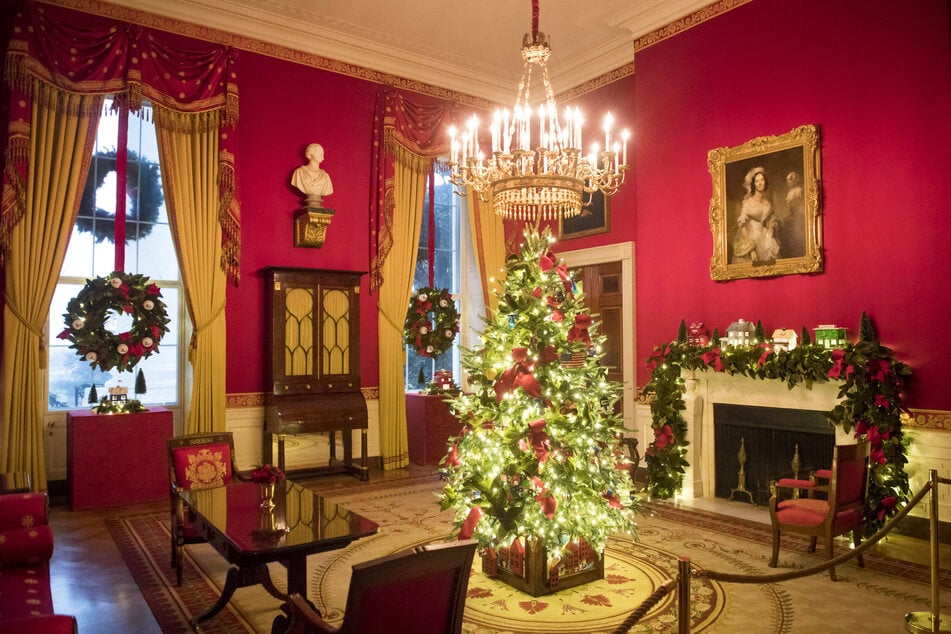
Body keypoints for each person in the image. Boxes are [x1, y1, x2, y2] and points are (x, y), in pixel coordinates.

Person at [733, 166, 780, 263]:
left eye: (762, 180)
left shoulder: (768, 203)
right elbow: (742, 225)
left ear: (765, 182)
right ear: (753, 184)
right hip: (750, 236)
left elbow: (772, 220)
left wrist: (771, 228)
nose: (760, 183)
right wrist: (751, 248)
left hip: (765, 237)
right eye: (757, 181)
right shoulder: (748, 203)